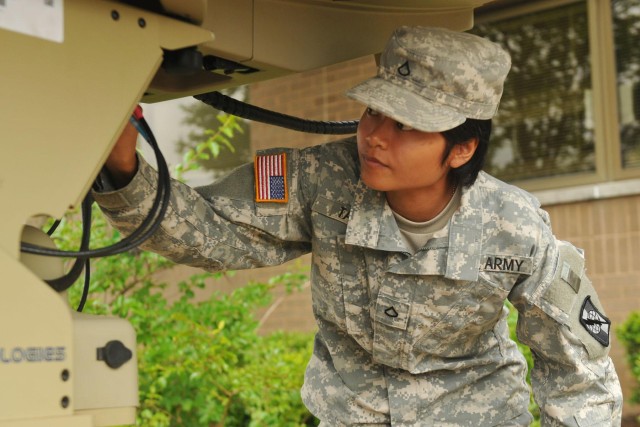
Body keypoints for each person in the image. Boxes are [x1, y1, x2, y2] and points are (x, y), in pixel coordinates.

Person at [94, 26, 623, 426]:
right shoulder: (319, 179)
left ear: (461, 148)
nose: (374, 136)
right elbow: (211, 233)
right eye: (373, 112)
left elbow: (579, 370)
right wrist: (121, 169)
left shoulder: (516, 227)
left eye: (406, 125)